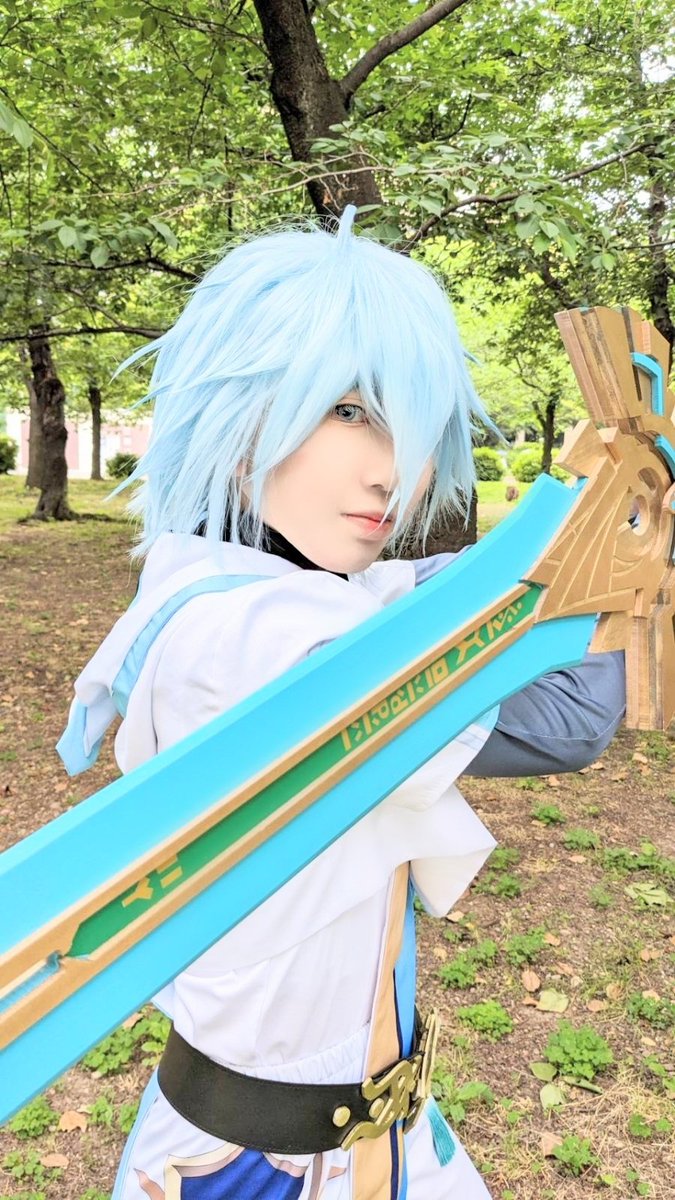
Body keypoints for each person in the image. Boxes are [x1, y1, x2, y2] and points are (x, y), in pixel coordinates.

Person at [59, 207, 625, 1200]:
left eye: (411, 424)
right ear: (240, 419)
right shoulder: (254, 638)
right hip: (253, 1167)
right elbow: (569, 721)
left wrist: (590, 513)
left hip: (374, 1135)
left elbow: (433, 584)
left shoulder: (269, 591)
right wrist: (618, 545)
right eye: (348, 410)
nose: (390, 471)